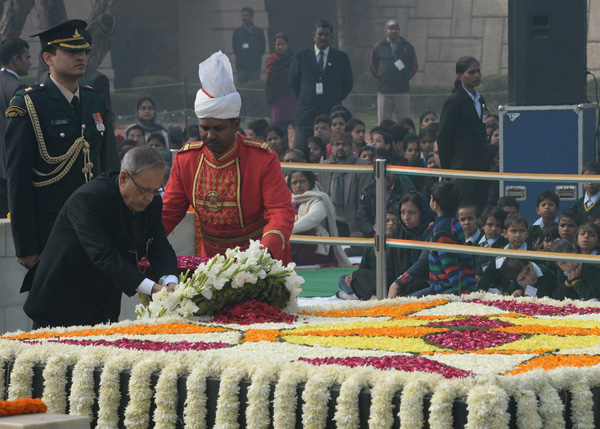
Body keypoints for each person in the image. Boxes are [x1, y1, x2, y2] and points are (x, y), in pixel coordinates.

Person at [20, 146, 178, 328]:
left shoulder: (152, 202)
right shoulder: (88, 199)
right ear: (124, 178)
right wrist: (153, 289)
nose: (149, 198)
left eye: (156, 190)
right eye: (144, 189)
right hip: (61, 301)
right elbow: (103, 255)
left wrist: (170, 281)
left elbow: (159, 244)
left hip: (103, 303)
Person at [5, 19, 119, 269]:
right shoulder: (29, 105)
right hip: (52, 231)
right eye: (71, 51)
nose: (81, 57)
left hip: (95, 229)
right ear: (48, 58)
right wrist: (26, 246)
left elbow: (109, 166)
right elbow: (18, 180)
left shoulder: (94, 100)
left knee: (98, 305)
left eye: (83, 51)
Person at [162, 51, 294, 263]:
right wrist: (142, 244)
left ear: (236, 124)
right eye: (204, 128)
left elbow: (280, 211)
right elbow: (168, 213)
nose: (210, 135)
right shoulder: (186, 160)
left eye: (219, 128)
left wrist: (262, 256)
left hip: (262, 260)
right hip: (211, 263)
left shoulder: (262, 158)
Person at [289, 20, 353, 149]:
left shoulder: (341, 57)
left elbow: (348, 83)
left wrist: (336, 97)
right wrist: (305, 97)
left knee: (333, 148)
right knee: (300, 148)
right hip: (306, 111)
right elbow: (293, 81)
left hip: (331, 109)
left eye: (326, 34)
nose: (323, 37)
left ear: (331, 37)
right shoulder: (301, 55)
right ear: (314, 35)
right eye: (320, 34)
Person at [437, 56, 490, 210]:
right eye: (471, 72)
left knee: (480, 211)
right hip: (462, 168)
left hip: (481, 166)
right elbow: (444, 137)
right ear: (460, 75)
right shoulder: (454, 101)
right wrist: (448, 168)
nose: (477, 75)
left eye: (478, 71)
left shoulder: (481, 100)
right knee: (464, 211)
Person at [413, 181, 476, 296]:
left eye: (431, 198)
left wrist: (465, 295)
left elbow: (450, 266)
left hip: (451, 288)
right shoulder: (452, 222)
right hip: (446, 286)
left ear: (435, 204)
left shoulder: (443, 229)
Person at [288, 170, 351, 267]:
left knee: (306, 231)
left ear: (310, 181)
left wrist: (286, 230)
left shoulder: (319, 199)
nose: (298, 185)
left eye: (302, 181)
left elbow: (312, 219)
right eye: (294, 182)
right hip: (291, 241)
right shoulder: (288, 200)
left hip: (315, 248)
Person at [318, 131, 371, 237]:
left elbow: (363, 201)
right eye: (337, 144)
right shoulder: (323, 166)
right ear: (331, 147)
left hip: (351, 225)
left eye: (344, 144)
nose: (340, 147)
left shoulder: (362, 166)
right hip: (328, 222)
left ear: (351, 147)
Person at [0, 38, 30, 218]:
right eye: (27, 57)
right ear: (15, 59)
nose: (30, 62)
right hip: (12, 164)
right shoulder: (19, 88)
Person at [370, 19, 417, 124]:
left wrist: (405, 77)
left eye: (396, 29)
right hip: (384, 90)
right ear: (386, 31)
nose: (393, 31)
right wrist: (382, 77)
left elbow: (413, 65)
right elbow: (373, 66)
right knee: (383, 122)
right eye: (390, 28)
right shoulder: (378, 47)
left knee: (404, 122)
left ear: (399, 31)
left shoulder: (407, 46)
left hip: (402, 91)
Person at [265, 32, 297, 127]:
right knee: (279, 127)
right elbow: (270, 78)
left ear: (287, 45)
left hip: (292, 96)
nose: (280, 47)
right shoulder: (271, 60)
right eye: (277, 44)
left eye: (282, 44)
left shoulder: (294, 58)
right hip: (277, 97)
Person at [232, 7, 266, 84]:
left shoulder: (259, 32)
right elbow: (235, 48)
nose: (244, 17)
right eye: (243, 15)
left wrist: (256, 57)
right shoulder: (237, 32)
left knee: (255, 87)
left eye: (246, 15)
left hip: (254, 66)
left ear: (251, 17)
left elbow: (262, 48)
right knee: (242, 88)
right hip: (241, 66)